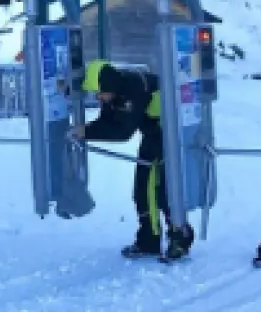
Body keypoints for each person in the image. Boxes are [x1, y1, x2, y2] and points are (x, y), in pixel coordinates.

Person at [70, 59, 196, 260]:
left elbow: (122, 131)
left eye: (100, 92)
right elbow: (107, 121)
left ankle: (180, 238)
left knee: (165, 190)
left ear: (108, 84)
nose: (99, 97)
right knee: (142, 190)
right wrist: (85, 129)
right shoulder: (115, 91)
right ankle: (149, 241)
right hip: (153, 134)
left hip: (171, 135)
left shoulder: (132, 89)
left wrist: (86, 131)